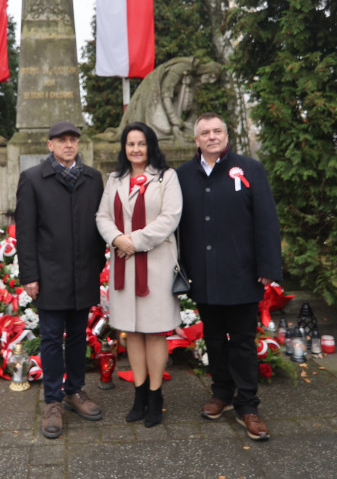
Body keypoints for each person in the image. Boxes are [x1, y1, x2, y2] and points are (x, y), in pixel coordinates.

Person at [175, 112, 282, 441]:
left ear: (226, 135)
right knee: (214, 340)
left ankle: (247, 405)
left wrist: (268, 268)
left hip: (240, 274)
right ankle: (221, 392)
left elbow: (266, 220)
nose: (211, 136)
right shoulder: (181, 176)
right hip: (203, 276)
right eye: (204, 132)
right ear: (196, 140)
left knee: (243, 343)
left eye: (217, 131)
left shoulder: (250, 170)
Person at [15, 121, 106, 440]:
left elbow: (101, 224)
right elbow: (25, 232)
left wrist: (100, 264)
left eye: (73, 140)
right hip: (50, 274)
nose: (69, 145)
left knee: (79, 336)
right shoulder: (33, 179)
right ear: (49, 145)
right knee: (53, 337)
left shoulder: (93, 179)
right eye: (61, 140)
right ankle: (52, 400)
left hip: (83, 273)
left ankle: (74, 391)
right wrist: (30, 275)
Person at [96, 122, 182, 427]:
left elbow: (169, 218)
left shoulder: (166, 178)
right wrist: (118, 239)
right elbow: (103, 216)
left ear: (151, 146)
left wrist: (133, 241)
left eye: (141, 144)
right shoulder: (115, 179)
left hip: (156, 264)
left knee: (154, 330)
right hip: (124, 266)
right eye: (130, 144)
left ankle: (156, 396)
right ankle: (139, 393)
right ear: (124, 148)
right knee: (131, 330)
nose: (135, 149)